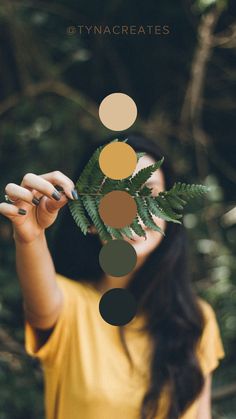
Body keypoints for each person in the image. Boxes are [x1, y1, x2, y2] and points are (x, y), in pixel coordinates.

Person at [0, 133, 225, 419]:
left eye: (149, 193)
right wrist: (30, 237)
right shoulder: (70, 307)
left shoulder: (195, 319)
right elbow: (41, 294)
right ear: (92, 220)